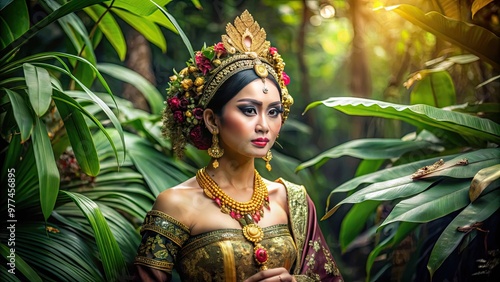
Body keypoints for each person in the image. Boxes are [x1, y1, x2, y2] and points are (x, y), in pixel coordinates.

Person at [134, 10, 343, 282]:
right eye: (248, 110)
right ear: (212, 120)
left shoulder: (293, 201)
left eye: (273, 111)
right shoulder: (176, 204)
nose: (263, 125)